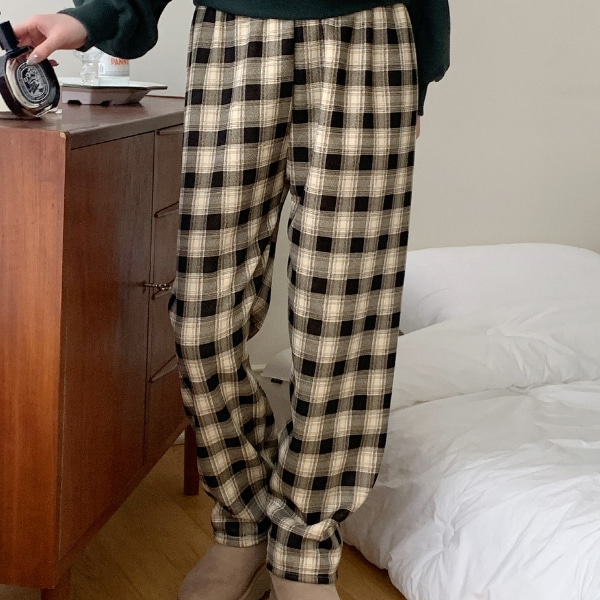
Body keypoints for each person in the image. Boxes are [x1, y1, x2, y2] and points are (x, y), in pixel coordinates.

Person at [16, 2, 449, 599]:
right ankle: (244, 519)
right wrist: (98, 15)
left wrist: (418, 76)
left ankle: (303, 548)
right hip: (233, 37)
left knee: (345, 323)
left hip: (369, 39)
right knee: (203, 321)